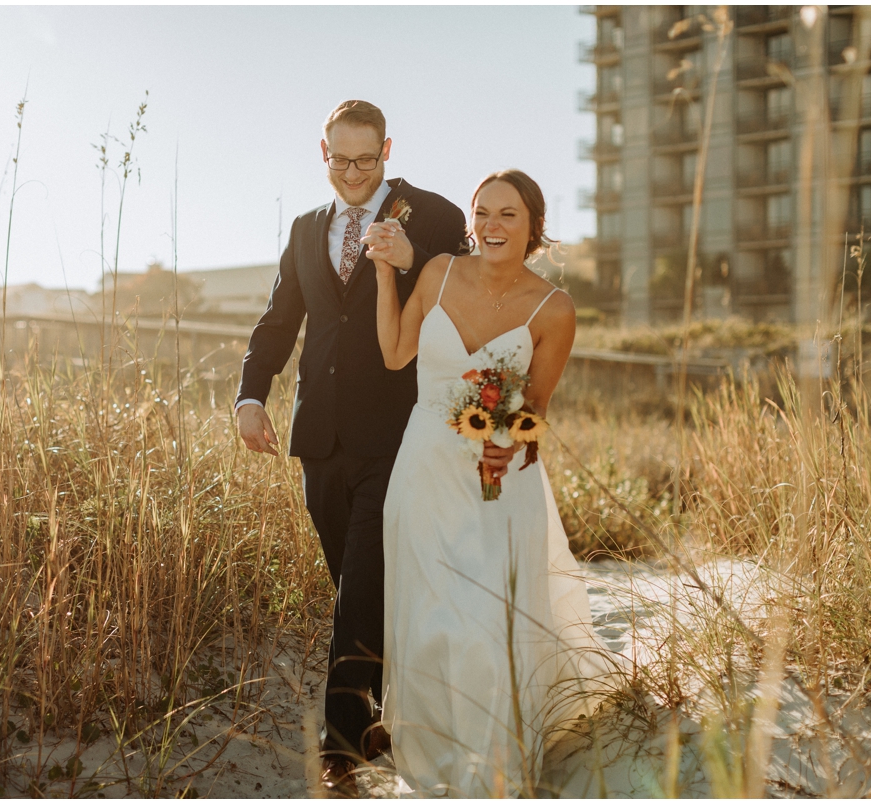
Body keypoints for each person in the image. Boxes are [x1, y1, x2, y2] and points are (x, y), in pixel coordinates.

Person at [236, 100, 517, 798]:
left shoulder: (440, 215)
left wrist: (414, 258)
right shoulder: (305, 230)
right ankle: (388, 711)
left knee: (362, 581)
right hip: (318, 437)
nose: (355, 174)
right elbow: (279, 322)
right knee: (354, 585)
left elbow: (471, 301)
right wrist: (250, 396)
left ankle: (341, 745)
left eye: (367, 159)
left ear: (388, 150)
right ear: (322, 153)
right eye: (341, 160)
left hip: (398, 435)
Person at [373, 169, 618, 797]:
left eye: (507, 214)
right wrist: (383, 273)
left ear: (534, 224)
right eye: (482, 212)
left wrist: (502, 441)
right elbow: (396, 353)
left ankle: (491, 767)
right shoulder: (437, 273)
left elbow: (535, 406)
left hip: (497, 479)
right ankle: (428, 762)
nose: (491, 226)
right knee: (428, 617)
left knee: (485, 618)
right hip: (424, 466)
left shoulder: (554, 308)